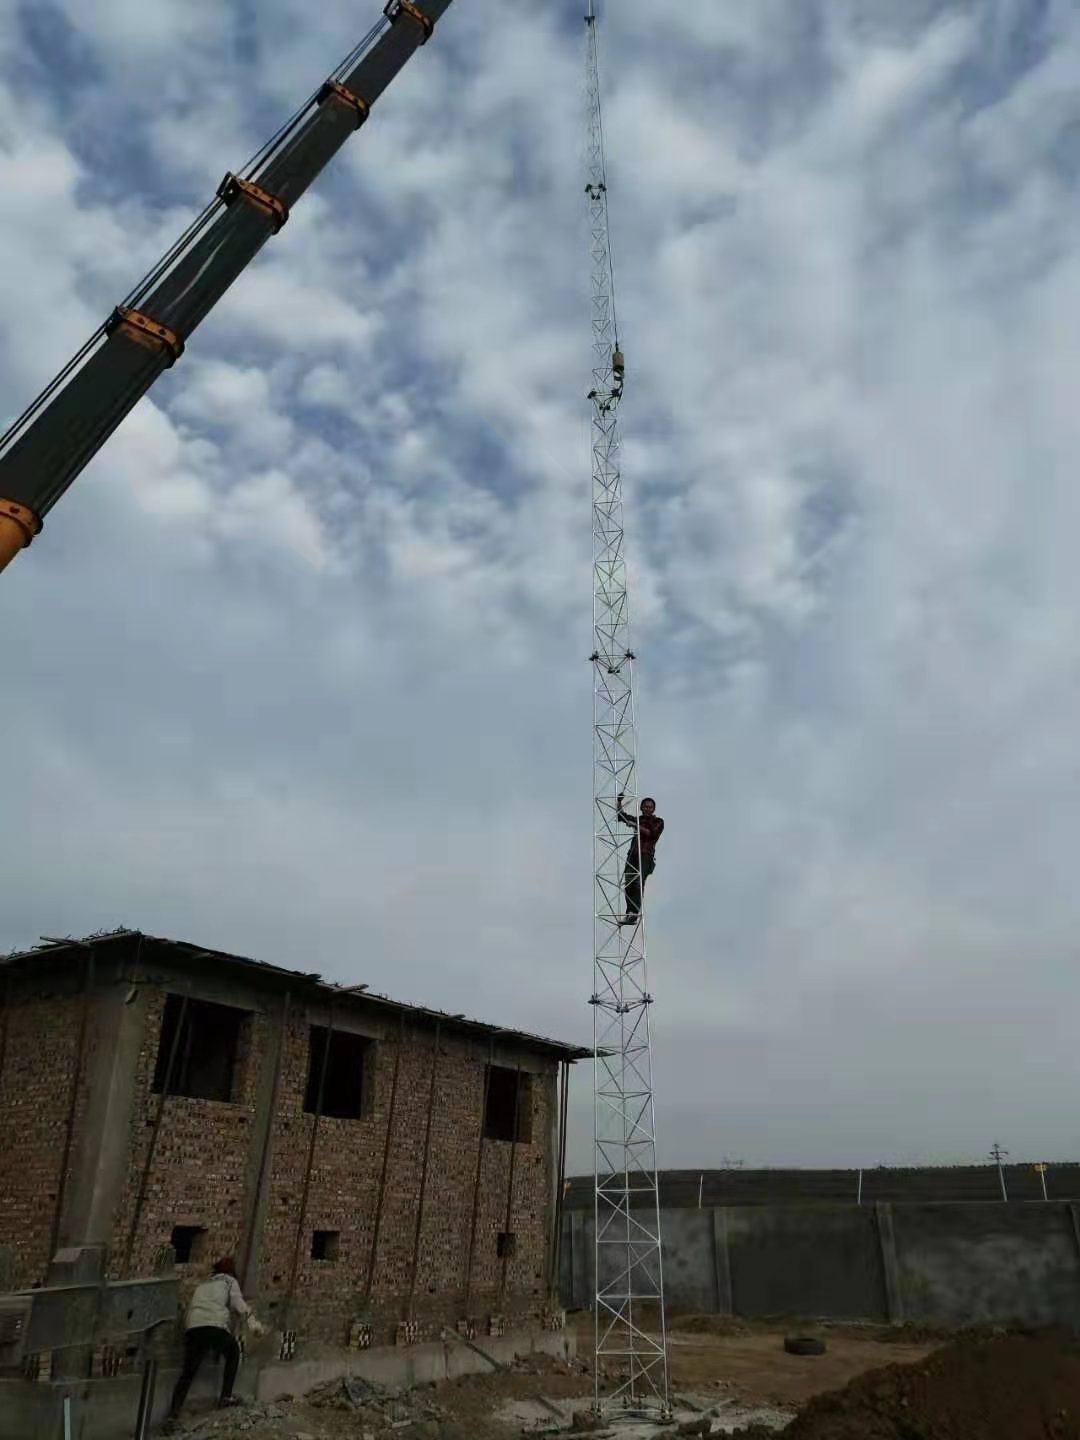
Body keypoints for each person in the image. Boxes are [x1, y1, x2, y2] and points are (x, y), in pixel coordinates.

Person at [163, 1256, 266, 1431]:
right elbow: (241, 1307)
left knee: (188, 1373)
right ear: (230, 1271)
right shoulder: (229, 1282)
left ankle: (172, 1415)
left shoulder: (203, 1285)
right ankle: (225, 1396)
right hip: (213, 1325)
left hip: (193, 1327)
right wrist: (255, 1326)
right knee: (233, 1350)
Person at [617, 792, 664, 925]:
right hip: (633, 855)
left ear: (653, 809)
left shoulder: (658, 821)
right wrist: (619, 802)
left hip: (646, 856)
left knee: (638, 881)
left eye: (650, 807)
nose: (647, 809)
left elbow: (651, 833)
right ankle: (630, 913)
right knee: (629, 883)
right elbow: (622, 817)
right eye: (645, 806)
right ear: (641, 808)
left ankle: (635, 912)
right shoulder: (638, 820)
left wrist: (634, 825)